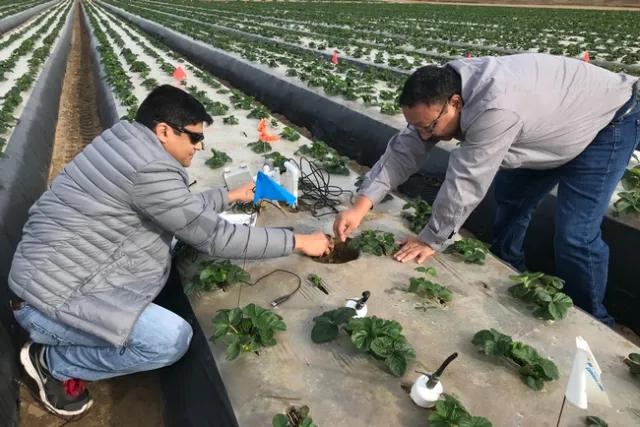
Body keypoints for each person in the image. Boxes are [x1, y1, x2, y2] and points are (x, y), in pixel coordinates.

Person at [8, 85, 333, 417]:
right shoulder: (150, 168)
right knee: (170, 340)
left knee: (169, 248)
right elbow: (216, 238)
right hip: (48, 304)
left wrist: (228, 196)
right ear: (163, 131)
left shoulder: (128, 144)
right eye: (194, 137)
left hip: (50, 281)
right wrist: (297, 241)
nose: (200, 145)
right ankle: (52, 363)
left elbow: (177, 208)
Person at [334, 53, 639, 327]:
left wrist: (432, 238)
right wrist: (362, 205)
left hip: (608, 123)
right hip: (548, 126)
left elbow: (466, 180)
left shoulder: (495, 107)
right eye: (419, 126)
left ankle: (594, 322)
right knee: (511, 202)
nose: (425, 134)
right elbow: (404, 150)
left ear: (455, 103)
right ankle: (510, 280)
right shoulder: (443, 94)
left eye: (429, 127)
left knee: (575, 233)